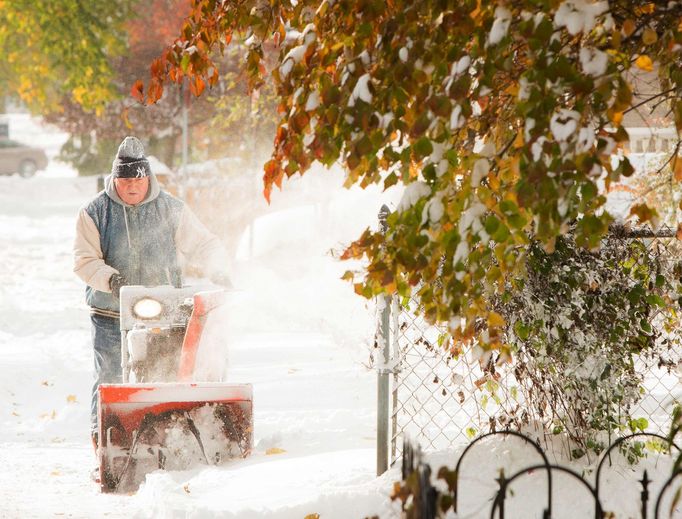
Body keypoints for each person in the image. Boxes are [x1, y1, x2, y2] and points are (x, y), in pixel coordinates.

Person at [73, 136, 231, 451]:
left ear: (148, 178)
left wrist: (217, 267)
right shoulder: (94, 213)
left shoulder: (171, 209)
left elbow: (204, 243)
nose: (131, 186)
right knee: (110, 374)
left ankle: (174, 434)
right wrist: (112, 280)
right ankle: (103, 439)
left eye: (137, 179)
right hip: (111, 311)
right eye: (124, 179)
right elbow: (84, 260)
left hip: (166, 308)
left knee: (174, 371)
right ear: (115, 178)